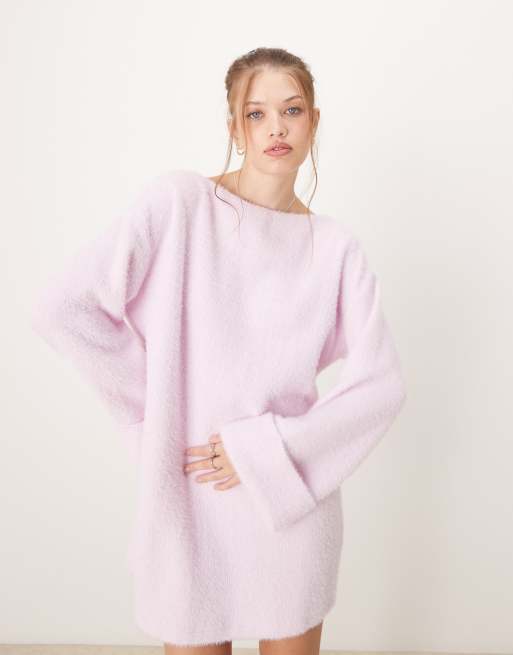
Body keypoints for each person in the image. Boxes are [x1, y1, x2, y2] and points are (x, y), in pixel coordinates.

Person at [30, 47, 407, 655]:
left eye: (292, 110)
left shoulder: (335, 249)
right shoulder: (179, 206)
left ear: (314, 121)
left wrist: (265, 450)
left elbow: (381, 386)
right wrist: (156, 411)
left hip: (289, 507)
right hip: (191, 499)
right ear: (234, 127)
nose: (276, 127)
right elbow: (65, 308)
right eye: (257, 113)